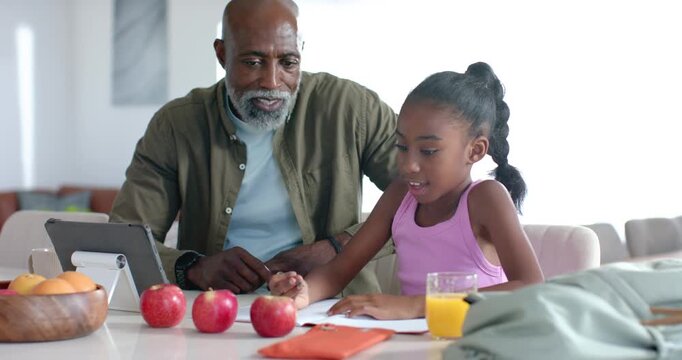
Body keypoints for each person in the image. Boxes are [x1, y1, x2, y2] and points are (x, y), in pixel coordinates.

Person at [109, 0, 398, 294]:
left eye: (288, 63)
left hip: (334, 307)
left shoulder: (352, 109)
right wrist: (192, 268)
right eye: (253, 62)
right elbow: (122, 239)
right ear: (222, 54)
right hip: (212, 312)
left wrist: (338, 248)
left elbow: (429, 196)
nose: (272, 82)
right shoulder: (176, 125)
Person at [270, 62, 544, 319]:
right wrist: (305, 292)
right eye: (401, 147)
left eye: (428, 151)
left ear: (475, 150)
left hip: (480, 343)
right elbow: (337, 272)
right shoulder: (400, 196)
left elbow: (531, 286)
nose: (409, 165)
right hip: (417, 342)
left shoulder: (486, 198)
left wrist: (417, 304)